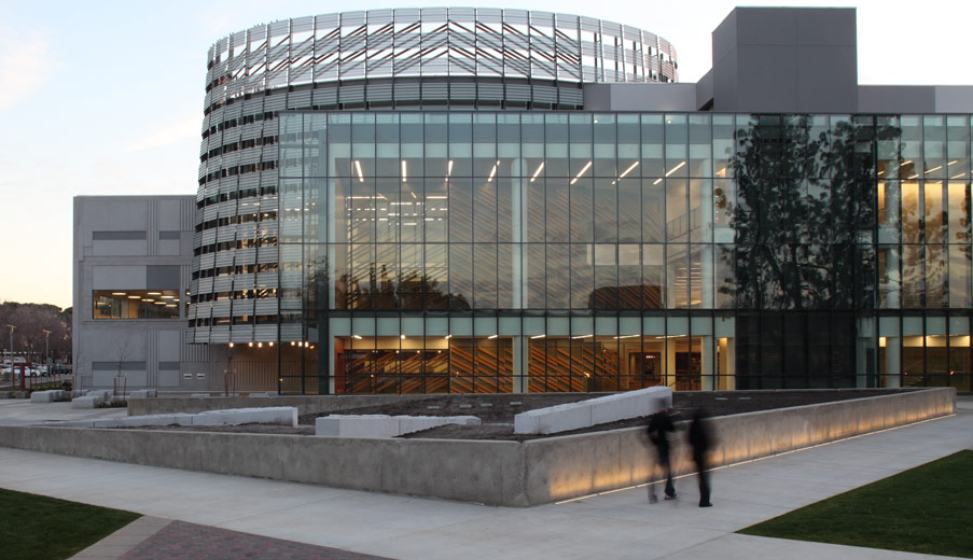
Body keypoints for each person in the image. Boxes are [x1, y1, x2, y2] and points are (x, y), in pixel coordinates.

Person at [646, 407, 676, 502]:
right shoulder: (665, 418)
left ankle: (652, 493)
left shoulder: (655, 418)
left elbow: (649, 431)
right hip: (664, 447)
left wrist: (655, 442)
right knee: (668, 472)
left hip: (659, 447)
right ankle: (669, 492)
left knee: (656, 472)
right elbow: (672, 428)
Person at [688, 407, 713, 507]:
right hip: (702, 455)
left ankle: (704, 499)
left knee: (702, 478)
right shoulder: (701, 427)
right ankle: (704, 500)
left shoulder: (693, 426)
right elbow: (706, 441)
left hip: (696, 455)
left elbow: (690, 440)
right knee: (704, 479)